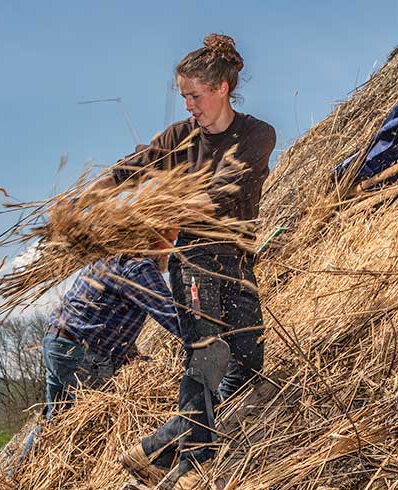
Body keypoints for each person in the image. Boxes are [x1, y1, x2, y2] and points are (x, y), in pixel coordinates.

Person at [95, 33, 277, 488]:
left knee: (249, 364)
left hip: (236, 257)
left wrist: (176, 204)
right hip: (193, 259)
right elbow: (135, 164)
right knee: (206, 356)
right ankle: (192, 465)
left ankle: (157, 444)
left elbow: (225, 189)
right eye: (183, 97)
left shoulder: (257, 135)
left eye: (194, 96)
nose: (188, 106)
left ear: (220, 89)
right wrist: (93, 194)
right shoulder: (180, 137)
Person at [13, 228, 189, 472]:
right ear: (151, 238)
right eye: (167, 242)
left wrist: (127, 352)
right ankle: (106, 472)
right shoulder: (139, 267)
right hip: (79, 354)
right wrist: (206, 342)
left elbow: (104, 312)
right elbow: (171, 316)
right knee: (113, 416)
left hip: (57, 343)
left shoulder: (111, 257)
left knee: (55, 419)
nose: (168, 250)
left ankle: (19, 473)